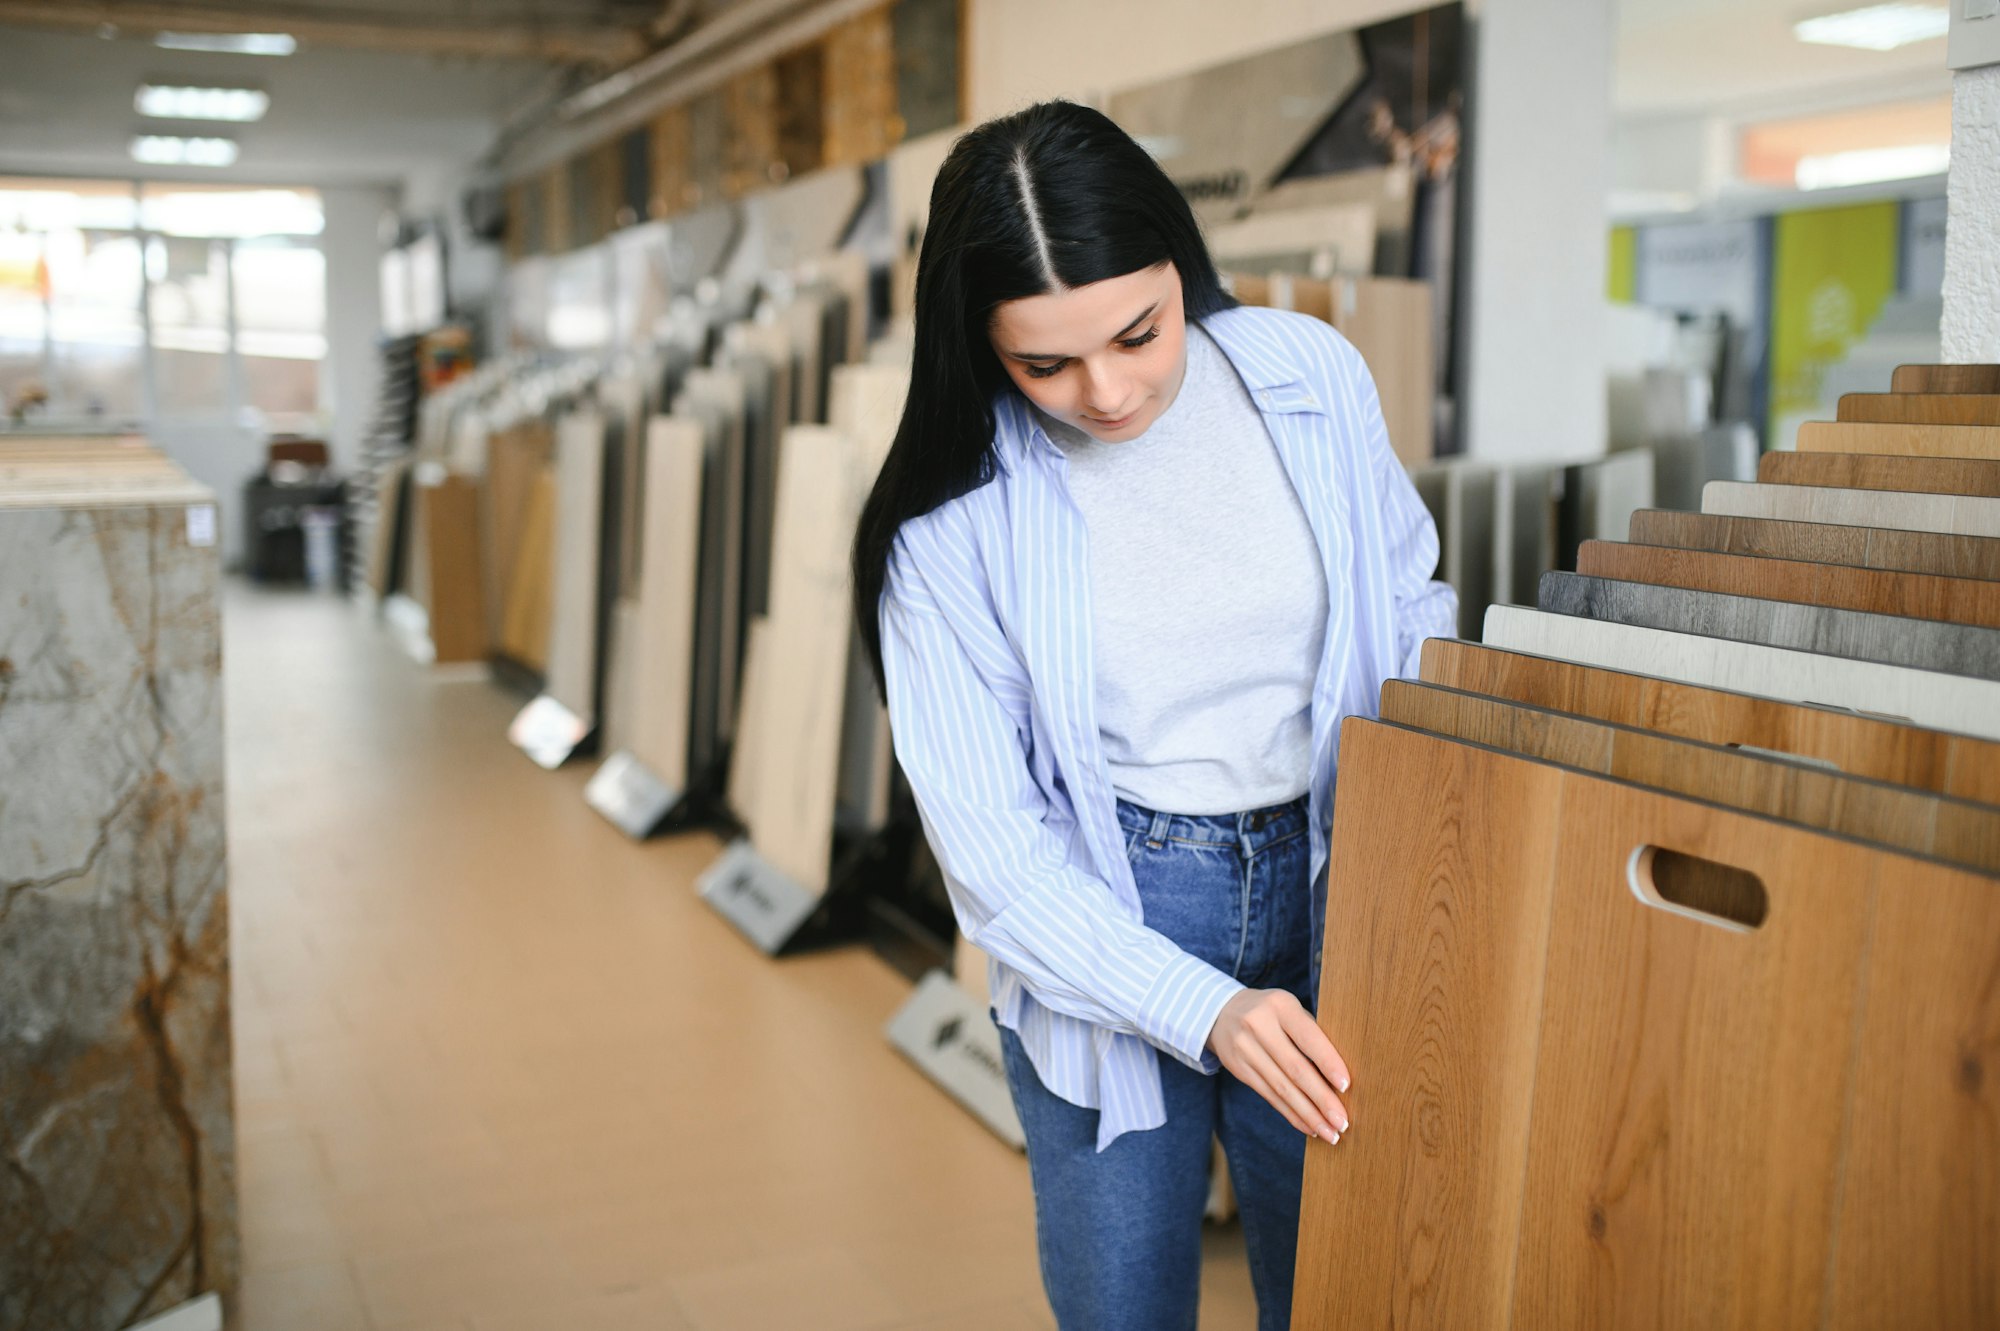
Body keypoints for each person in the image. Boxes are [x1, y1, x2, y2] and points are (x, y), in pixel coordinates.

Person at [851, 100, 1457, 1331]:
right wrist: (1204, 1008)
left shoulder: (1306, 372)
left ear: (1180, 265)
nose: (1109, 392)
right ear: (978, 349)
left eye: (1138, 331)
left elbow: (1406, 596)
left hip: (1338, 867)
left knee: (1337, 1284)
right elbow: (1004, 870)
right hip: (1108, 907)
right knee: (1123, 1302)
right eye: (1044, 364)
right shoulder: (949, 530)